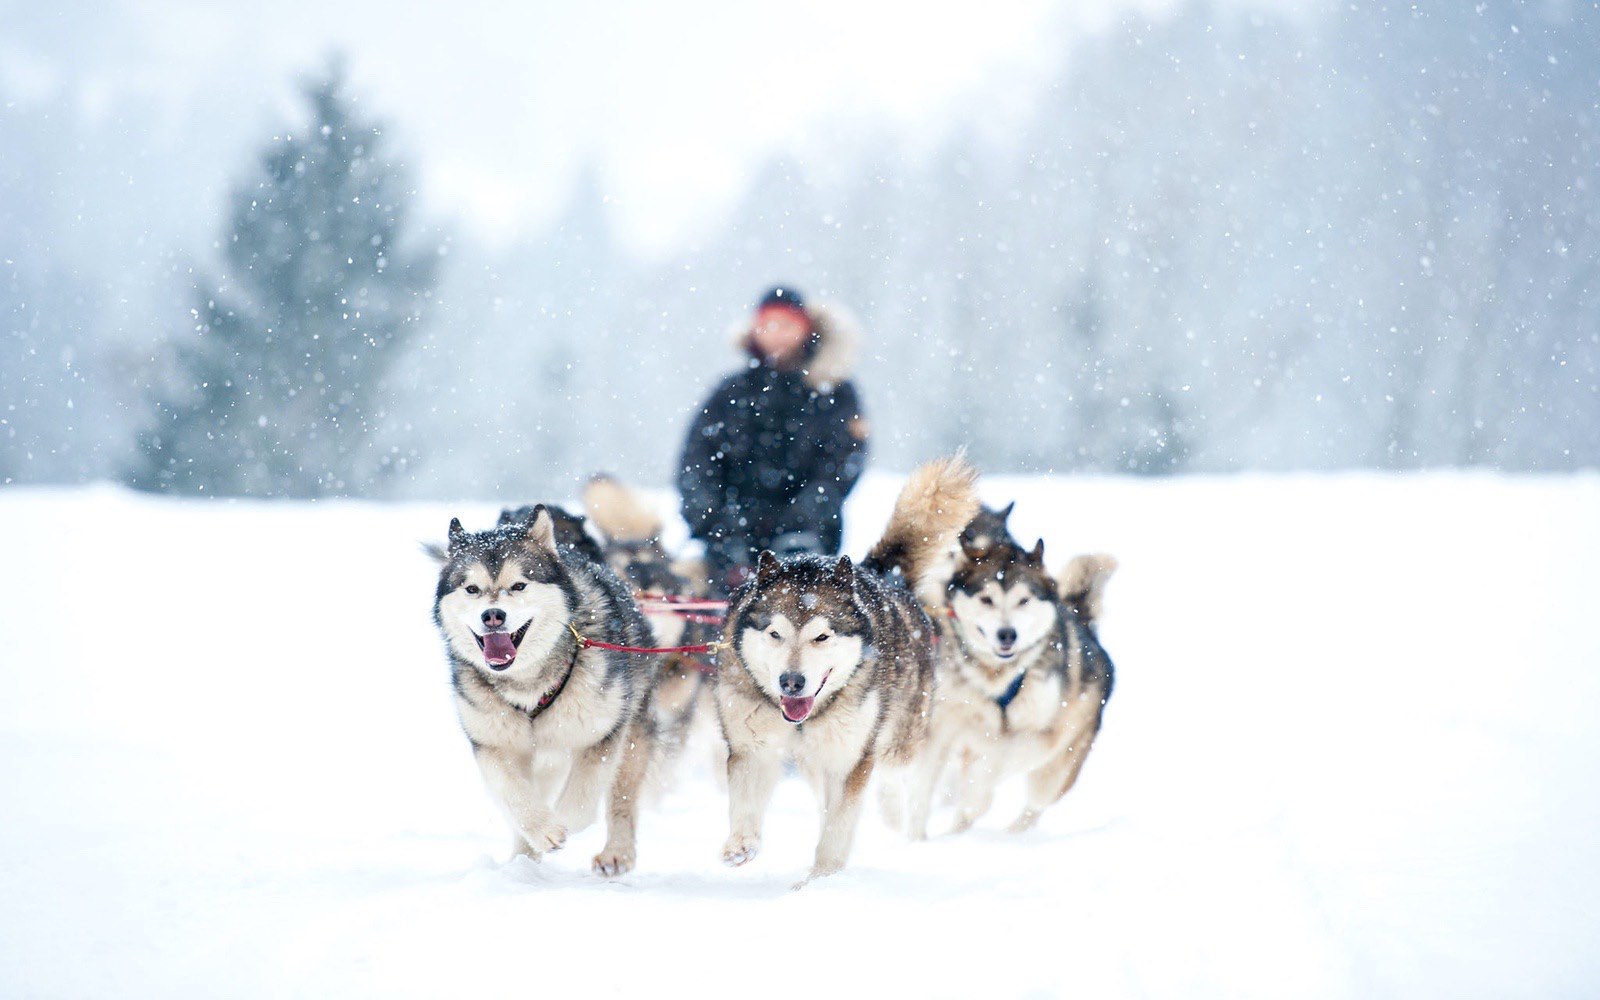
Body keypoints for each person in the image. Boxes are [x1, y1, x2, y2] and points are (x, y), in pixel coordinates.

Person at [677, 285, 869, 594]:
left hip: (810, 542)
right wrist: (717, 525)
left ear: (807, 330)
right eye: (769, 325)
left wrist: (803, 519)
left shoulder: (835, 392)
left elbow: (842, 465)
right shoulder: (730, 393)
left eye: (788, 325)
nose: (777, 334)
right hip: (729, 548)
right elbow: (696, 463)